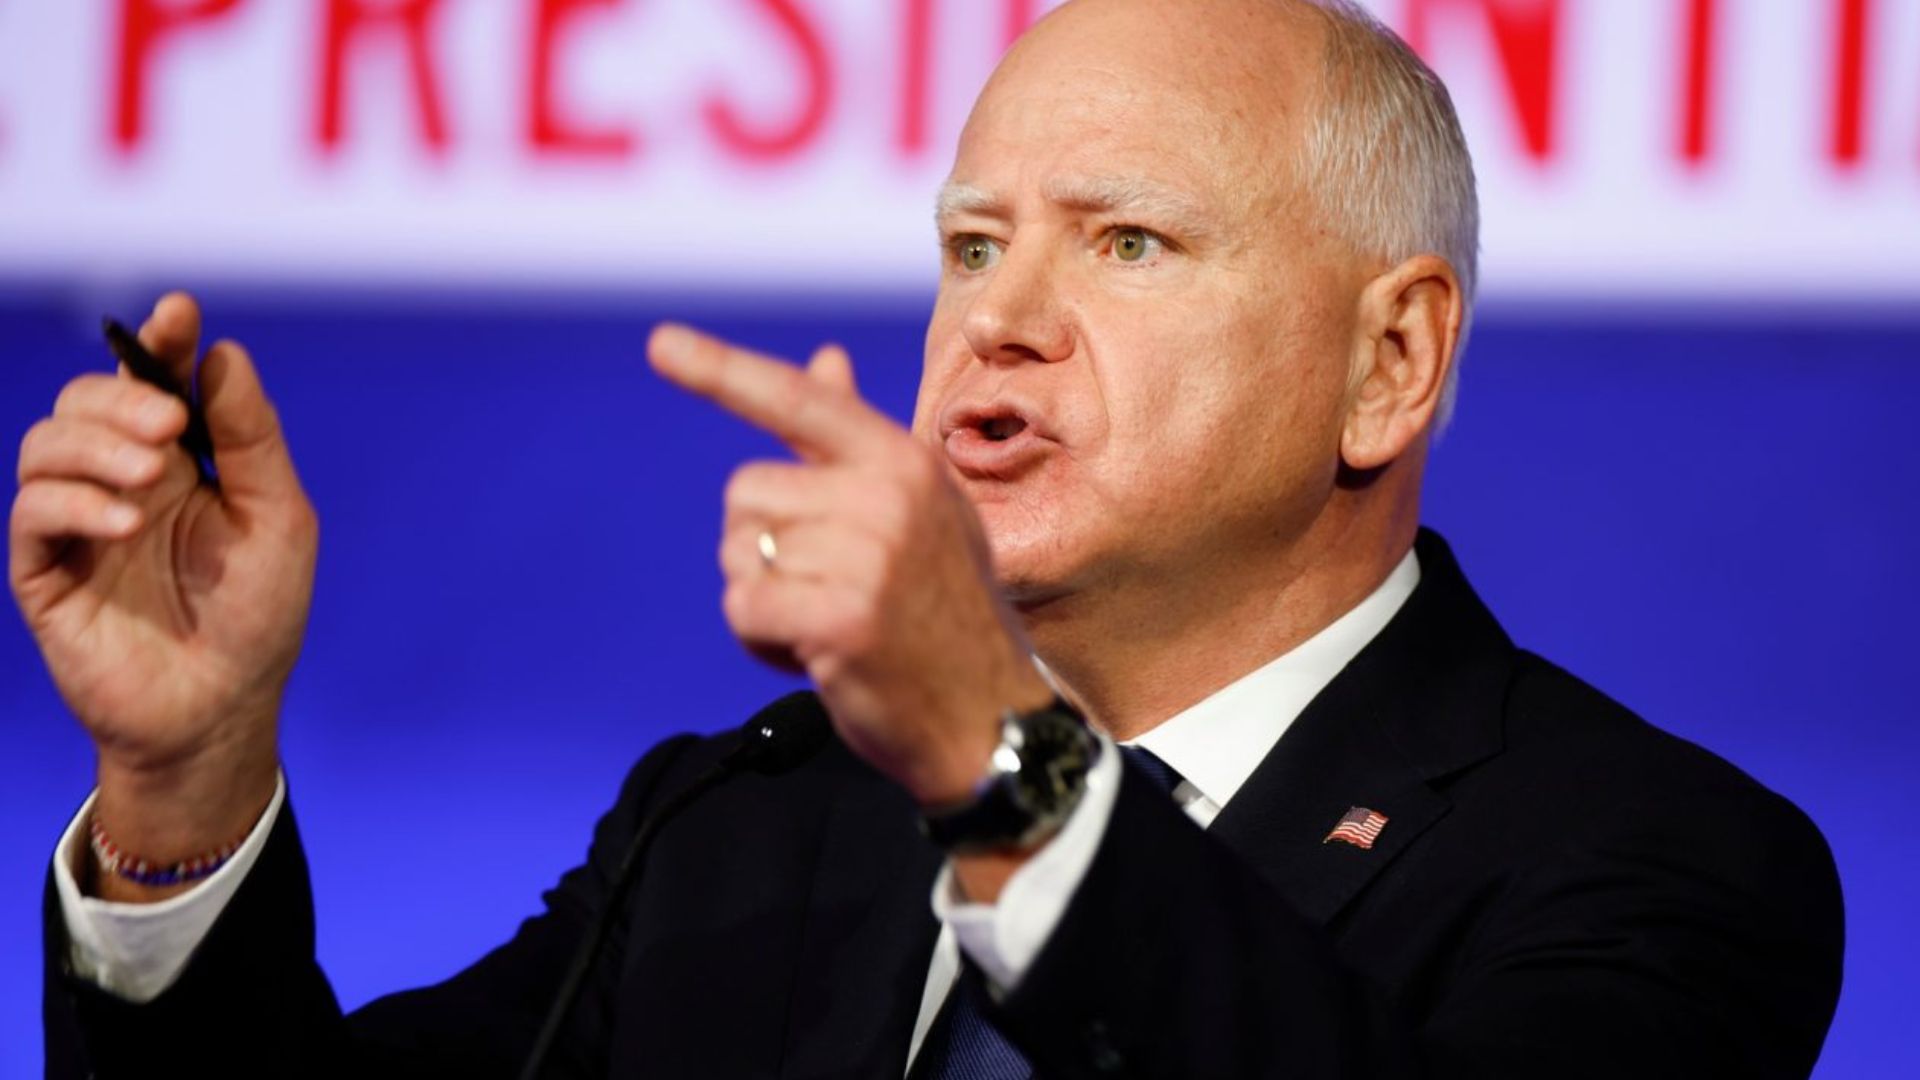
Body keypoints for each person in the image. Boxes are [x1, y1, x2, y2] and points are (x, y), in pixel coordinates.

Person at [19, 0, 1842, 1076]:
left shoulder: (1658, 867)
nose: (999, 322)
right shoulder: (748, 827)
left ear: (1389, 363)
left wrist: (1004, 768)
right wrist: (185, 787)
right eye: (973, 247)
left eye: (1126, 243)